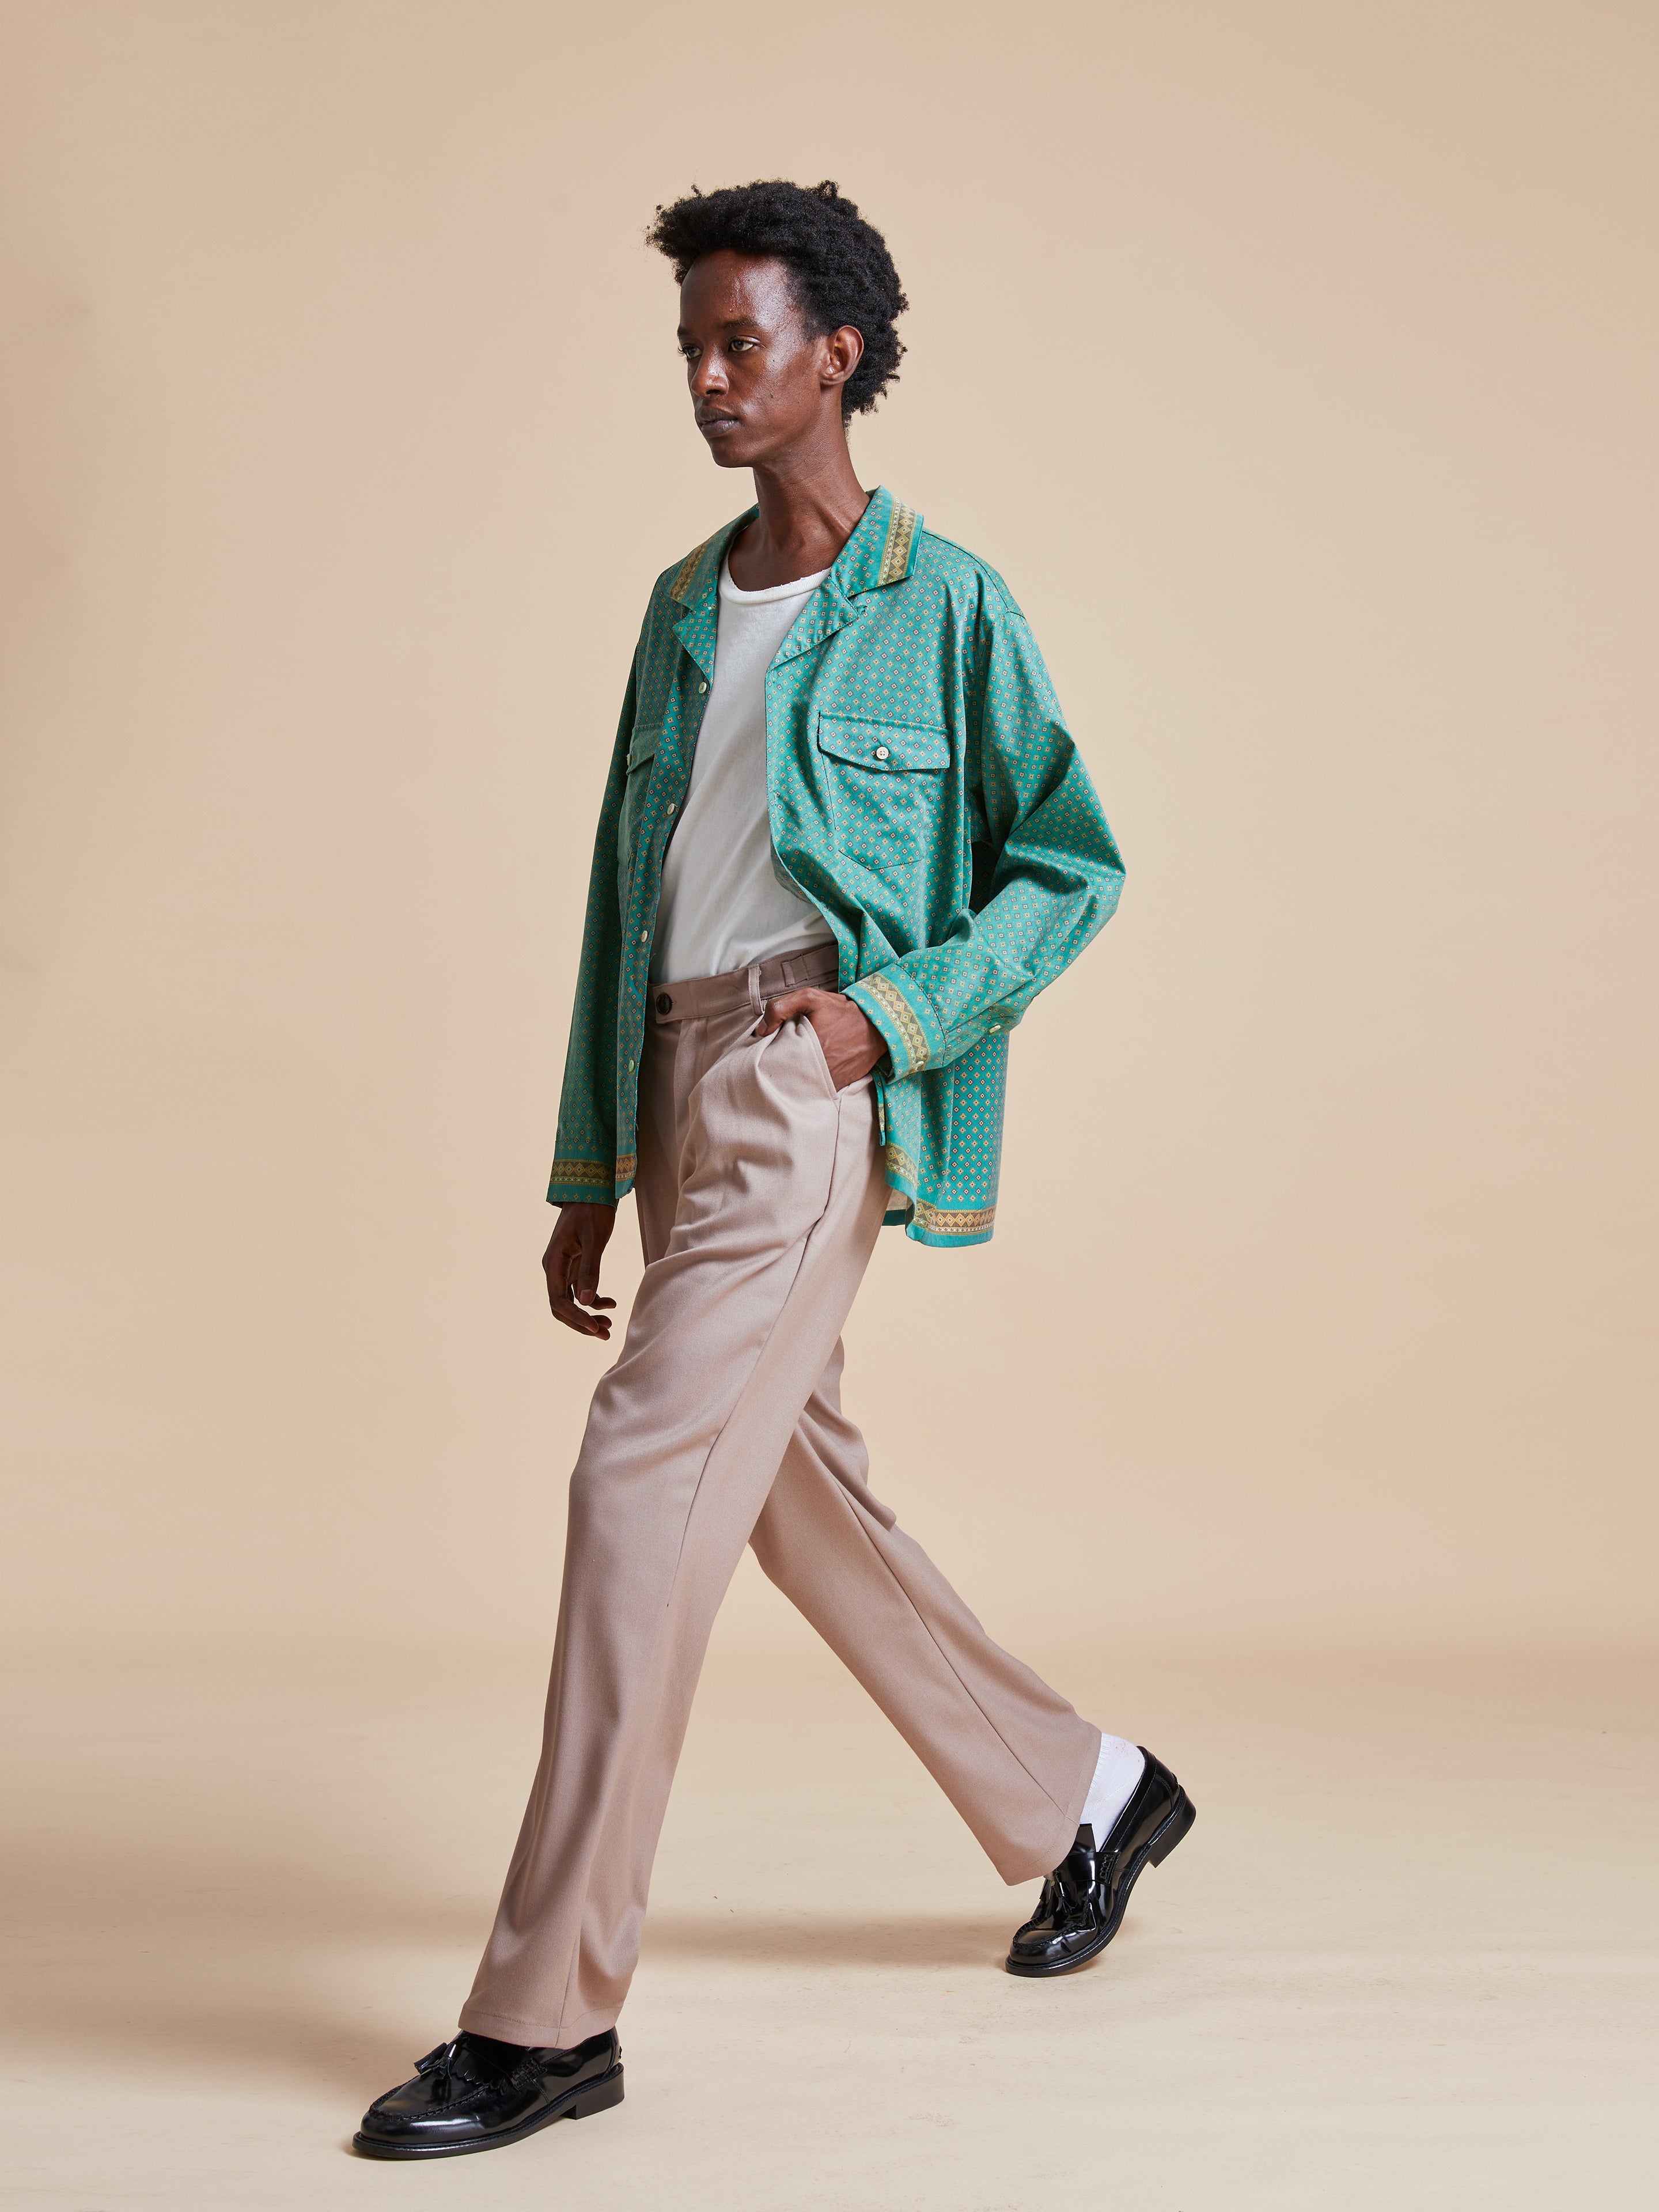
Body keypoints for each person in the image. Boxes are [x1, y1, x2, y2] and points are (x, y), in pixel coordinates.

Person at [354, 177, 1195, 2163]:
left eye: (744, 344)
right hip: (673, 1082)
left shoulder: (945, 600)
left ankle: (545, 2016)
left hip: (810, 1084)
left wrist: (882, 1024)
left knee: (641, 1487)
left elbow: (1071, 866)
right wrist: (587, 1157)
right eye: (692, 352)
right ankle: (1089, 1795)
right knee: (786, 1493)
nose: (712, 382)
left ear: (842, 352)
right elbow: (617, 892)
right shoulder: (677, 603)